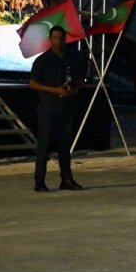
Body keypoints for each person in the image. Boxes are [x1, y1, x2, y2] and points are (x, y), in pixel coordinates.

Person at [29, 25, 85, 192]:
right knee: (44, 146)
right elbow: (32, 83)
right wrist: (55, 90)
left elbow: (80, 80)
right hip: (48, 108)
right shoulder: (43, 60)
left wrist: (73, 90)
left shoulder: (72, 58)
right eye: (55, 38)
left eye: (61, 37)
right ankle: (39, 181)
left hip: (66, 108)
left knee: (65, 146)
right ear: (50, 39)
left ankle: (66, 179)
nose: (58, 41)